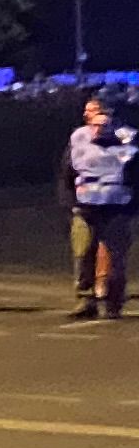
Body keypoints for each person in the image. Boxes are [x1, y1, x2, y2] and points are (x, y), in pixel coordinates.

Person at [66, 91, 137, 319]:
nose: (92, 119)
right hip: (85, 205)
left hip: (117, 206)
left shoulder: (129, 139)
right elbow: (67, 171)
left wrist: (133, 204)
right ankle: (85, 300)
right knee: (83, 252)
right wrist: (69, 201)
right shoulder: (78, 138)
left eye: (97, 113)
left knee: (116, 257)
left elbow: (136, 173)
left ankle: (113, 302)